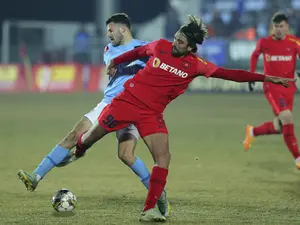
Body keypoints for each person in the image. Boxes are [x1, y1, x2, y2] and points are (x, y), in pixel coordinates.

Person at [63, 15, 293, 222]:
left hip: (151, 114)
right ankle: (79, 151)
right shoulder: (160, 46)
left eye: (181, 42)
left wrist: (266, 78)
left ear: (191, 47)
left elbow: (230, 74)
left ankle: (149, 209)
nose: (175, 43)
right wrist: (116, 61)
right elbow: (138, 52)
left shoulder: (196, 65)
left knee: (163, 157)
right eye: (176, 38)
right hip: (126, 102)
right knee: (90, 137)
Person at [17, 13, 170, 216]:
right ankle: (36, 176)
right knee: (73, 135)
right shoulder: (110, 49)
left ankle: (159, 195)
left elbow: (158, 63)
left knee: (126, 155)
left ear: (122, 29)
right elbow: (117, 64)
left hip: (133, 105)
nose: (107, 34)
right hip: (108, 104)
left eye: (110, 30)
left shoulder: (146, 47)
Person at [243, 12, 300, 169]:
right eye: (276, 27)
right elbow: (254, 56)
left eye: (281, 26)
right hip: (272, 86)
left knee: (280, 126)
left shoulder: (295, 42)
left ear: (287, 27)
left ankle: (252, 132)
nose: (279, 30)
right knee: (287, 117)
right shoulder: (264, 42)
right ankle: (298, 158)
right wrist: (252, 75)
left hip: (289, 88)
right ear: (272, 27)